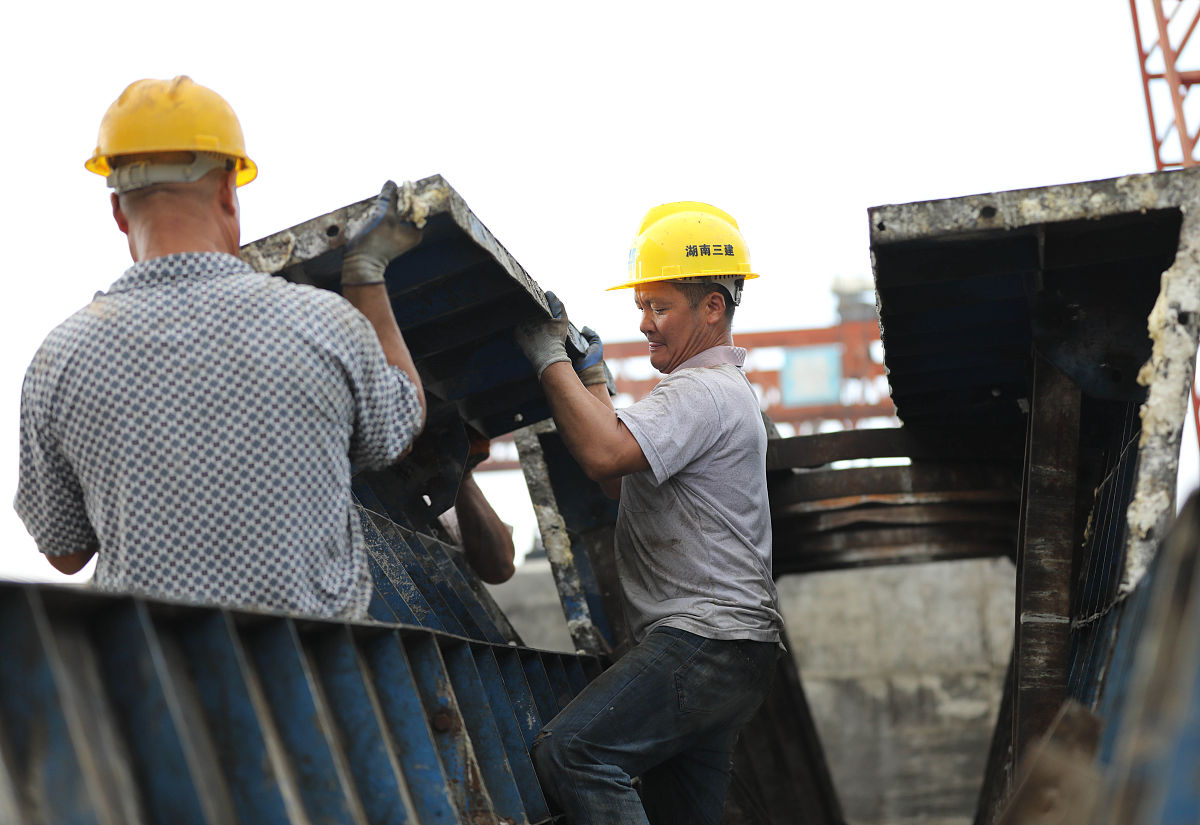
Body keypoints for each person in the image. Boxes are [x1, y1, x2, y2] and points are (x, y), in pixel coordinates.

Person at [15, 76, 426, 620]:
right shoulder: (326, 324)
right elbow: (397, 429)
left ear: (118, 212)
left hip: (152, 685)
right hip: (316, 681)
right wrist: (365, 273)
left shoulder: (59, 361)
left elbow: (65, 553)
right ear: (228, 193)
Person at [516, 202, 784, 825]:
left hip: (703, 640)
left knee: (574, 754)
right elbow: (625, 485)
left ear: (712, 307)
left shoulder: (702, 391)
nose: (644, 323)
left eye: (658, 307)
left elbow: (605, 456)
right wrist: (593, 382)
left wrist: (546, 358)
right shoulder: (719, 394)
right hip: (735, 650)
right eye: (641, 307)